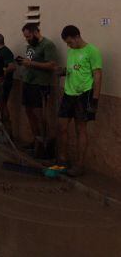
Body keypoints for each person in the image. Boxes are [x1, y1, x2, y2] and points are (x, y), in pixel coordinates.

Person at [57, 25, 102, 177]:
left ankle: (79, 165)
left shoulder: (92, 51)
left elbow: (97, 75)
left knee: (80, 129)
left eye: (70, 42)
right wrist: (63, 71)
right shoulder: (71, 50)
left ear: (77, 37)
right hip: (68, 93)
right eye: (67, 43)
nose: (69, 45)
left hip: (84, 94)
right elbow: (73, 69)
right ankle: (62, 160)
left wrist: (94, 99)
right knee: (62, 126)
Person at [17, 23, 58, 154]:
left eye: (28, 36)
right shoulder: (30, 46)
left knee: (39, 115)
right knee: (29, 112)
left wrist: (30, 63)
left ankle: (44, 143)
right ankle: (36, 140)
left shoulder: (48, 45)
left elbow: (52, 65)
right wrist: (23, 62)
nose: (27, 39)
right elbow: (29, 61)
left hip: (40, 84)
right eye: (25, 37)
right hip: (28, 82)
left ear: (35, 32)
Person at [0, 33, 16, 131]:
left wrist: (1, 74)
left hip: (3, 83)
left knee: (2, 105)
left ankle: (7, 130)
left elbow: (12, 66)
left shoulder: (6, 52)